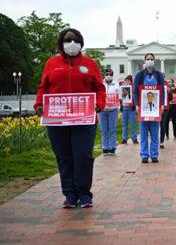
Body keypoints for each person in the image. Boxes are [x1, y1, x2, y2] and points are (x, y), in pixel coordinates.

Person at [34, 28, 105, 208]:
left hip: (84, 120)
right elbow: (43, 87)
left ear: (81, 43)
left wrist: (100, 104)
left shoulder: (89, 64)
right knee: (64, 157)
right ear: (61, 43)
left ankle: (84, 193)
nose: (71, 43)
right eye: (67, 40)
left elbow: (99, 88)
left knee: (83, 156)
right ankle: (70, 194)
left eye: (75, 40)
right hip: (57, 120)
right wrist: (39, 104)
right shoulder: (51, 64)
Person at [133, 53, 165, 163]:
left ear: (154, 61)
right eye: (148, 59)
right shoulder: (139, 75)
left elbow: (162, 91)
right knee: (143, 133)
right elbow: (135, 92)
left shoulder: (159, 75)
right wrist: (137, 105)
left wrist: (161, 105)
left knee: (155, 134)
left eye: (151, 59)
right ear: (144, 61)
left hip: (155, 109)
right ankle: (144, 155)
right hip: (143, 108)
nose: (150, 60)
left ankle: (154, 155)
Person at [98, 69, 120, 155]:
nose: (108, 76)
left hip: (113, 110)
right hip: (102, 110)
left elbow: (120, 97)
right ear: (104, 75)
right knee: (104, 130)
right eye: (106, 74)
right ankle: (105, 147)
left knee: (112, 129)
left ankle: (112, 148)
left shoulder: (116, 85)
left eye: (110, 74)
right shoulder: (101, 85)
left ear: (112, 75)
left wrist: (118, 106)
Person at [120, 75, 138, 145]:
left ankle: (134, 138)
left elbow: (135, 96)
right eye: (126, 80)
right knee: (124, 124)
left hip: (131, 108)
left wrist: (134, 104)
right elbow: (121, 97)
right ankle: (124, 138)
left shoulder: (133, 88)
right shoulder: (123, 88)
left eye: (128, 81)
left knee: (132, 124)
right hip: (124, 107)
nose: (127, 82)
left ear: (131, 81)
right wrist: (121, 105)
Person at [160, 80, 169, 148]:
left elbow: (170, 98)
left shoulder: (166, 86)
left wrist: (169, 92)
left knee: (162, 126)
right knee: (161, 125)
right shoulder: (166, 85)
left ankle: (161, 141)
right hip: (159, 109)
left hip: (164, 108)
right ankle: (160, 142)